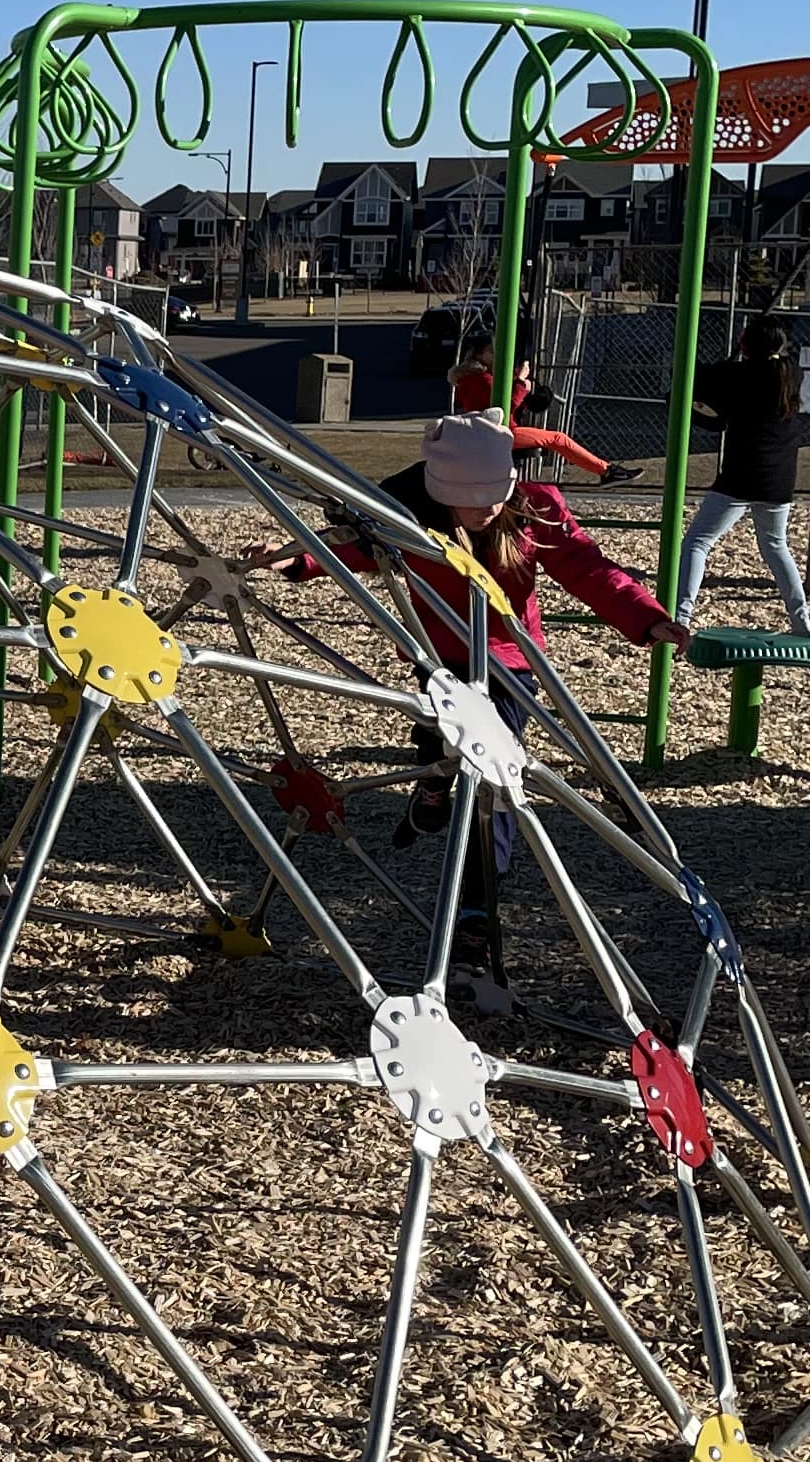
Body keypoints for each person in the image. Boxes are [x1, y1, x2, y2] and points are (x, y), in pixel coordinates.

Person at [263, 409, 684, 1014]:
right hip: (441, 660)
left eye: (491, 498)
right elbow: (351, 548)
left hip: (511, 665)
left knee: (494, 785)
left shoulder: (536, 508)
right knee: (440, 745)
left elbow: (589, 570)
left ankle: (478, 910)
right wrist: (294, 561)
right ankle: (433, 784)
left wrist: (647, 617)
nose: (483, 511)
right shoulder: (408, 519)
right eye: (469, 501)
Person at [676, 316, 810, 634]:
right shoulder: (791, 371)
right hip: (780, 478)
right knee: (776, 546)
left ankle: (682, 618)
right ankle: (801, 619)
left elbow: (696, 377)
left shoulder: (735, 375)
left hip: (741, 475)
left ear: (745, 343)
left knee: (697, 542)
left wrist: (732, 356)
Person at [451, 336, 613, 481]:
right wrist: (521, 382)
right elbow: (506, 406)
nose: (497, 357)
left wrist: (523, 385)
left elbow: (499, 402)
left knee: (555, 439)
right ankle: (605, 471)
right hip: (501, 431)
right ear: (478, 355)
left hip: (488, 432)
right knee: (558, 439)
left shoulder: (471, 379)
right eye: (491, 352)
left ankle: (605, 470)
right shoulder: (482, 380)